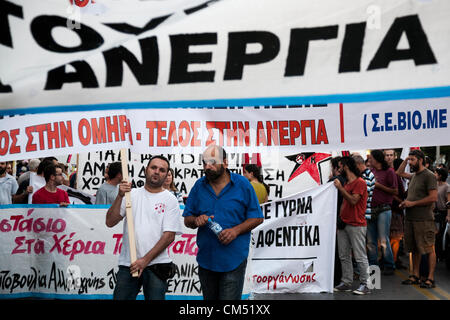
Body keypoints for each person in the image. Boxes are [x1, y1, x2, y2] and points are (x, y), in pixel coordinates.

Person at [183, 145, 263, 300]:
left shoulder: (243, 184)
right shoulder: (199, 186)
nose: (207, 166)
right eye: (204, 162)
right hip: (207, 259)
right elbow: (188, 219)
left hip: (234, 259)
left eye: (212, 162)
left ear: (225, 163)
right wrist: (196, 220)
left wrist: (236, 231)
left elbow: (257, 217)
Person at [106, 155, 182, 300]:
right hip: (129, 263)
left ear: (167, 175)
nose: (156, 172)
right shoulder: (130, 195)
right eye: (153, 167)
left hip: (156, 265)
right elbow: (110, 221)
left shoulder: (170, 200)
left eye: (162, 170)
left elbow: (169, 236)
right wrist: (120, 196)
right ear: (146, 169)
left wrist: (145, 260)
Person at [396, 149, 438, 289]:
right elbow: (399, 173)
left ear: (421, 160)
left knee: (428, 248)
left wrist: (412, 203)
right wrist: (406, 158)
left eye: (413, 160)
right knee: (414, 248)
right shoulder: (414, 176)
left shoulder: (429, 175)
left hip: (424, 219)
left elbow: (433, 197)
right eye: (409, 160)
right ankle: (415, 275)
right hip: (411, 218)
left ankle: (430, 278)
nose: (410, 163)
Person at [333, 156, 370, 295]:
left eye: (340, 166)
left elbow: (353, 200)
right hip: (345, 223)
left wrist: (340, 188)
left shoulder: (360, 183)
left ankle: (366, 284)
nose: (339, 169)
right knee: (344, 255)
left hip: (356, 224)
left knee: (359, 255)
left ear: (346, 166)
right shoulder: (348, 183)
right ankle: (346, 281)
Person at [367, 149, 398, 275]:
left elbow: (395, 191)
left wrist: (380, 187)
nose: (369, 161)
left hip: (384, 209)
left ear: (377, 159)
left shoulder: (389, 172)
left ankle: (389, 265)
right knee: (370, 241)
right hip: (371, 208)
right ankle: (374, 266)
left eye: (371, 159)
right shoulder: (372, 172)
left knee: (383, 239)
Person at [353, 154, 375, 222]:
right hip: (363, 213)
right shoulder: (366, 174)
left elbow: (365, 195)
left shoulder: (366, 176)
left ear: (358, 164)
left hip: (362, 214)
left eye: (353, 166)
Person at [434, 167, 449, 261]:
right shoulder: (435, 185)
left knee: (440, 235)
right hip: (435, 212)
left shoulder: (447, 187)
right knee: (435, 234)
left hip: (443, 213)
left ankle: (440, 255)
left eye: (436, 173)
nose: (434, 175)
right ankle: (436, 254)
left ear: (440, 175)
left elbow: (449, 203)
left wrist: (448, 215)